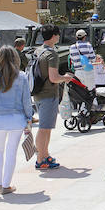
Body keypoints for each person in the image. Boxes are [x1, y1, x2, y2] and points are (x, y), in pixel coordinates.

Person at [0, 45, 33, 194]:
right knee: (11, 152)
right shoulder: (22, 76)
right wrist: (29, 119)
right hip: (17, 119)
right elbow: (26, 101)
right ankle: (6, 185)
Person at [32, 24, 73, 170]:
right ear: (54, 36)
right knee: (44, 128)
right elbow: (54, 78)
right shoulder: (52, 54)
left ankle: (44, 154)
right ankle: (40, 159)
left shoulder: (38, 51)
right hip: (48, 93)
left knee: (46, 127)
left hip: (38, 93)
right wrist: (65, 77)